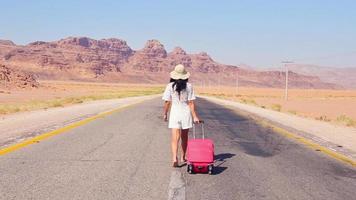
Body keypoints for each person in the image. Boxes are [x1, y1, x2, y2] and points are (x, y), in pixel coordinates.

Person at [162, 64, 201, 167]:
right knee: (184, 137)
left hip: (175, 113)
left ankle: (174, 158)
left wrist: (165, 113)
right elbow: (191, 103)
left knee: (175, 138)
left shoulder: (170, 86)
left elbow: (167, 102)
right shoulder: (189, 86)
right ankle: (183, 156)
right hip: (185, 114)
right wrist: (195, 116)